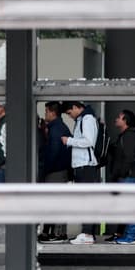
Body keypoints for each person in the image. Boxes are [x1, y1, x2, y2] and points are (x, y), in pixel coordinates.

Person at [62, 101, 101, 245]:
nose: (69, 116)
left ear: (75, 107)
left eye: (69, 112)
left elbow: (88, 141)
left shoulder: (87, 119)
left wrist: (69, 141)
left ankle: (87, 234)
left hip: (86, 166)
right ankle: (88, 233)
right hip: (82, 166)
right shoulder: (83, 119)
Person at [108, 109, 135, 245]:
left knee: (131, 207)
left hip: (129, 176)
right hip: (128, 176)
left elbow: (129, 157)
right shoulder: (126, 135)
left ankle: (131, 236)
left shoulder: (130, 135)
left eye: (119, 117)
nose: (116, 119)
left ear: (125, 120)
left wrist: (122, 174)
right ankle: (129, 235)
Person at [38, 101, 71, 243]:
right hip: (59, 170)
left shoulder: (56, 128)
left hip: (56, 171)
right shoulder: (58, 127)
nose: (45, 114)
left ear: (52, 112)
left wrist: (45, 169)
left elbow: (53, 151)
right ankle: (53, 232)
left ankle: (58, 233)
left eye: (46, 111)